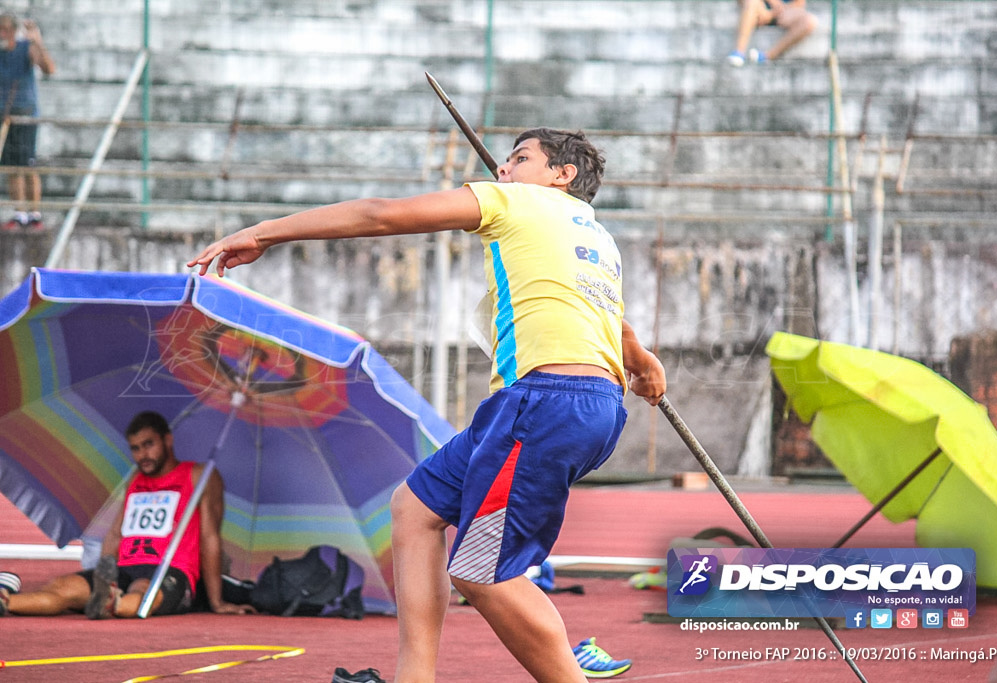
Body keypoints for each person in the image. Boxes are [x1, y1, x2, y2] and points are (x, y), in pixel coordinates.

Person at [187, 127, 667, 682]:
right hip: (571, 403)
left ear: (562, 175)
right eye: (505, 163)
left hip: (542, 405)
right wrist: (643, 359)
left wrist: (267, 233)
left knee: (484, 574)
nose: (503, 171)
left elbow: (380, 215)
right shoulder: (595, 237)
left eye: (520, 159)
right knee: (414, 510)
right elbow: (609, 318)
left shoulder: (516, 202)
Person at [0, 411, 254, 618]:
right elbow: (115, 534)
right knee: (64, 587)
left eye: (148, 445)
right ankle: (7, 601)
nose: (142, 455)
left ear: (167, 440)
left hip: (170, 569)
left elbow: (210, 538)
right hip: (126, 566)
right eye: (135, 448)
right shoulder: (136, 479)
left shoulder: (200, 476)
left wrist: (217, 601)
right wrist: (103, 576)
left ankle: (112, 604)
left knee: (141, 592)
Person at [0, 13, 55, 231]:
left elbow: (49, 68)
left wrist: (37, 41)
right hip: (5, 117)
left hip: (26, 114)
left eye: (4, 30)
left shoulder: (26, 48)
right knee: (12, 166)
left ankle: (35, 213)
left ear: (13, 30)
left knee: (28, 165)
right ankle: (20, 213)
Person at [727, 0, 817, 67]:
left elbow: (799, 4)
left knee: (809, 22)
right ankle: (739, 52)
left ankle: (767, 56)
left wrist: (774, 13)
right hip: (758, 5)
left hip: (784, 11)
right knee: (751, 3)